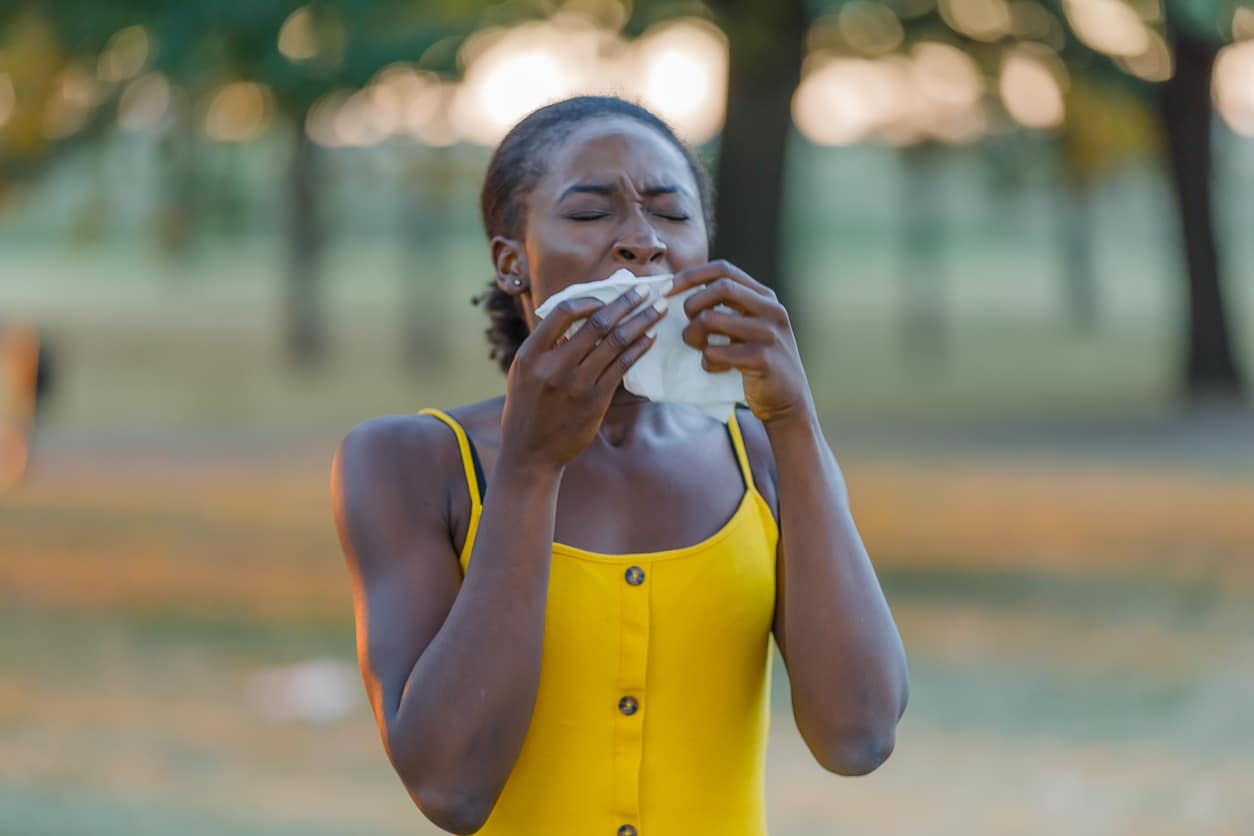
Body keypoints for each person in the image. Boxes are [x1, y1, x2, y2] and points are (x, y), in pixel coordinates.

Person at [330, 95, 909, 836]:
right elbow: (451, 786)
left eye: (671, 214)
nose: (641, 242)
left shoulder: (760, 456)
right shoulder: (411, 463)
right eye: (590, 213)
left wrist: (795, 423)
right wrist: (531, 469)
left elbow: (857, 738)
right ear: (515, 262)